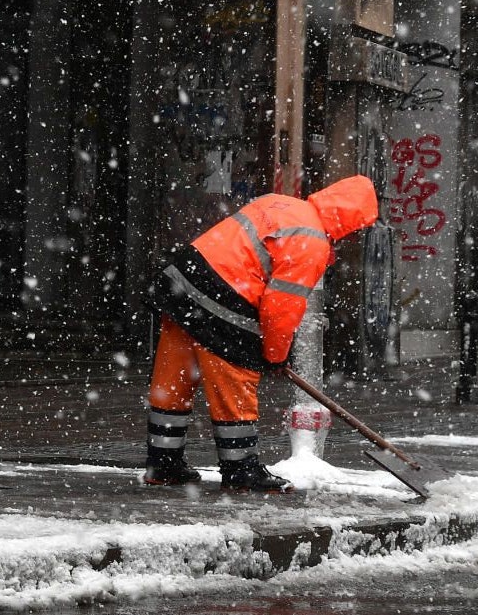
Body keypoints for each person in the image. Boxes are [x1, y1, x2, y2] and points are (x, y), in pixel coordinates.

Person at [142, 175, 378, 492]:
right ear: (350, 220)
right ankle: (241, 471)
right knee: (235, 382)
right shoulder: (312, 242)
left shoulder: (280, 203)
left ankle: (164, 463)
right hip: (224, 299)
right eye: (357, 229)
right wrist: (275, 356)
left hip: (183, 282)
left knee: (174, 379)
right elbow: (280, 309)